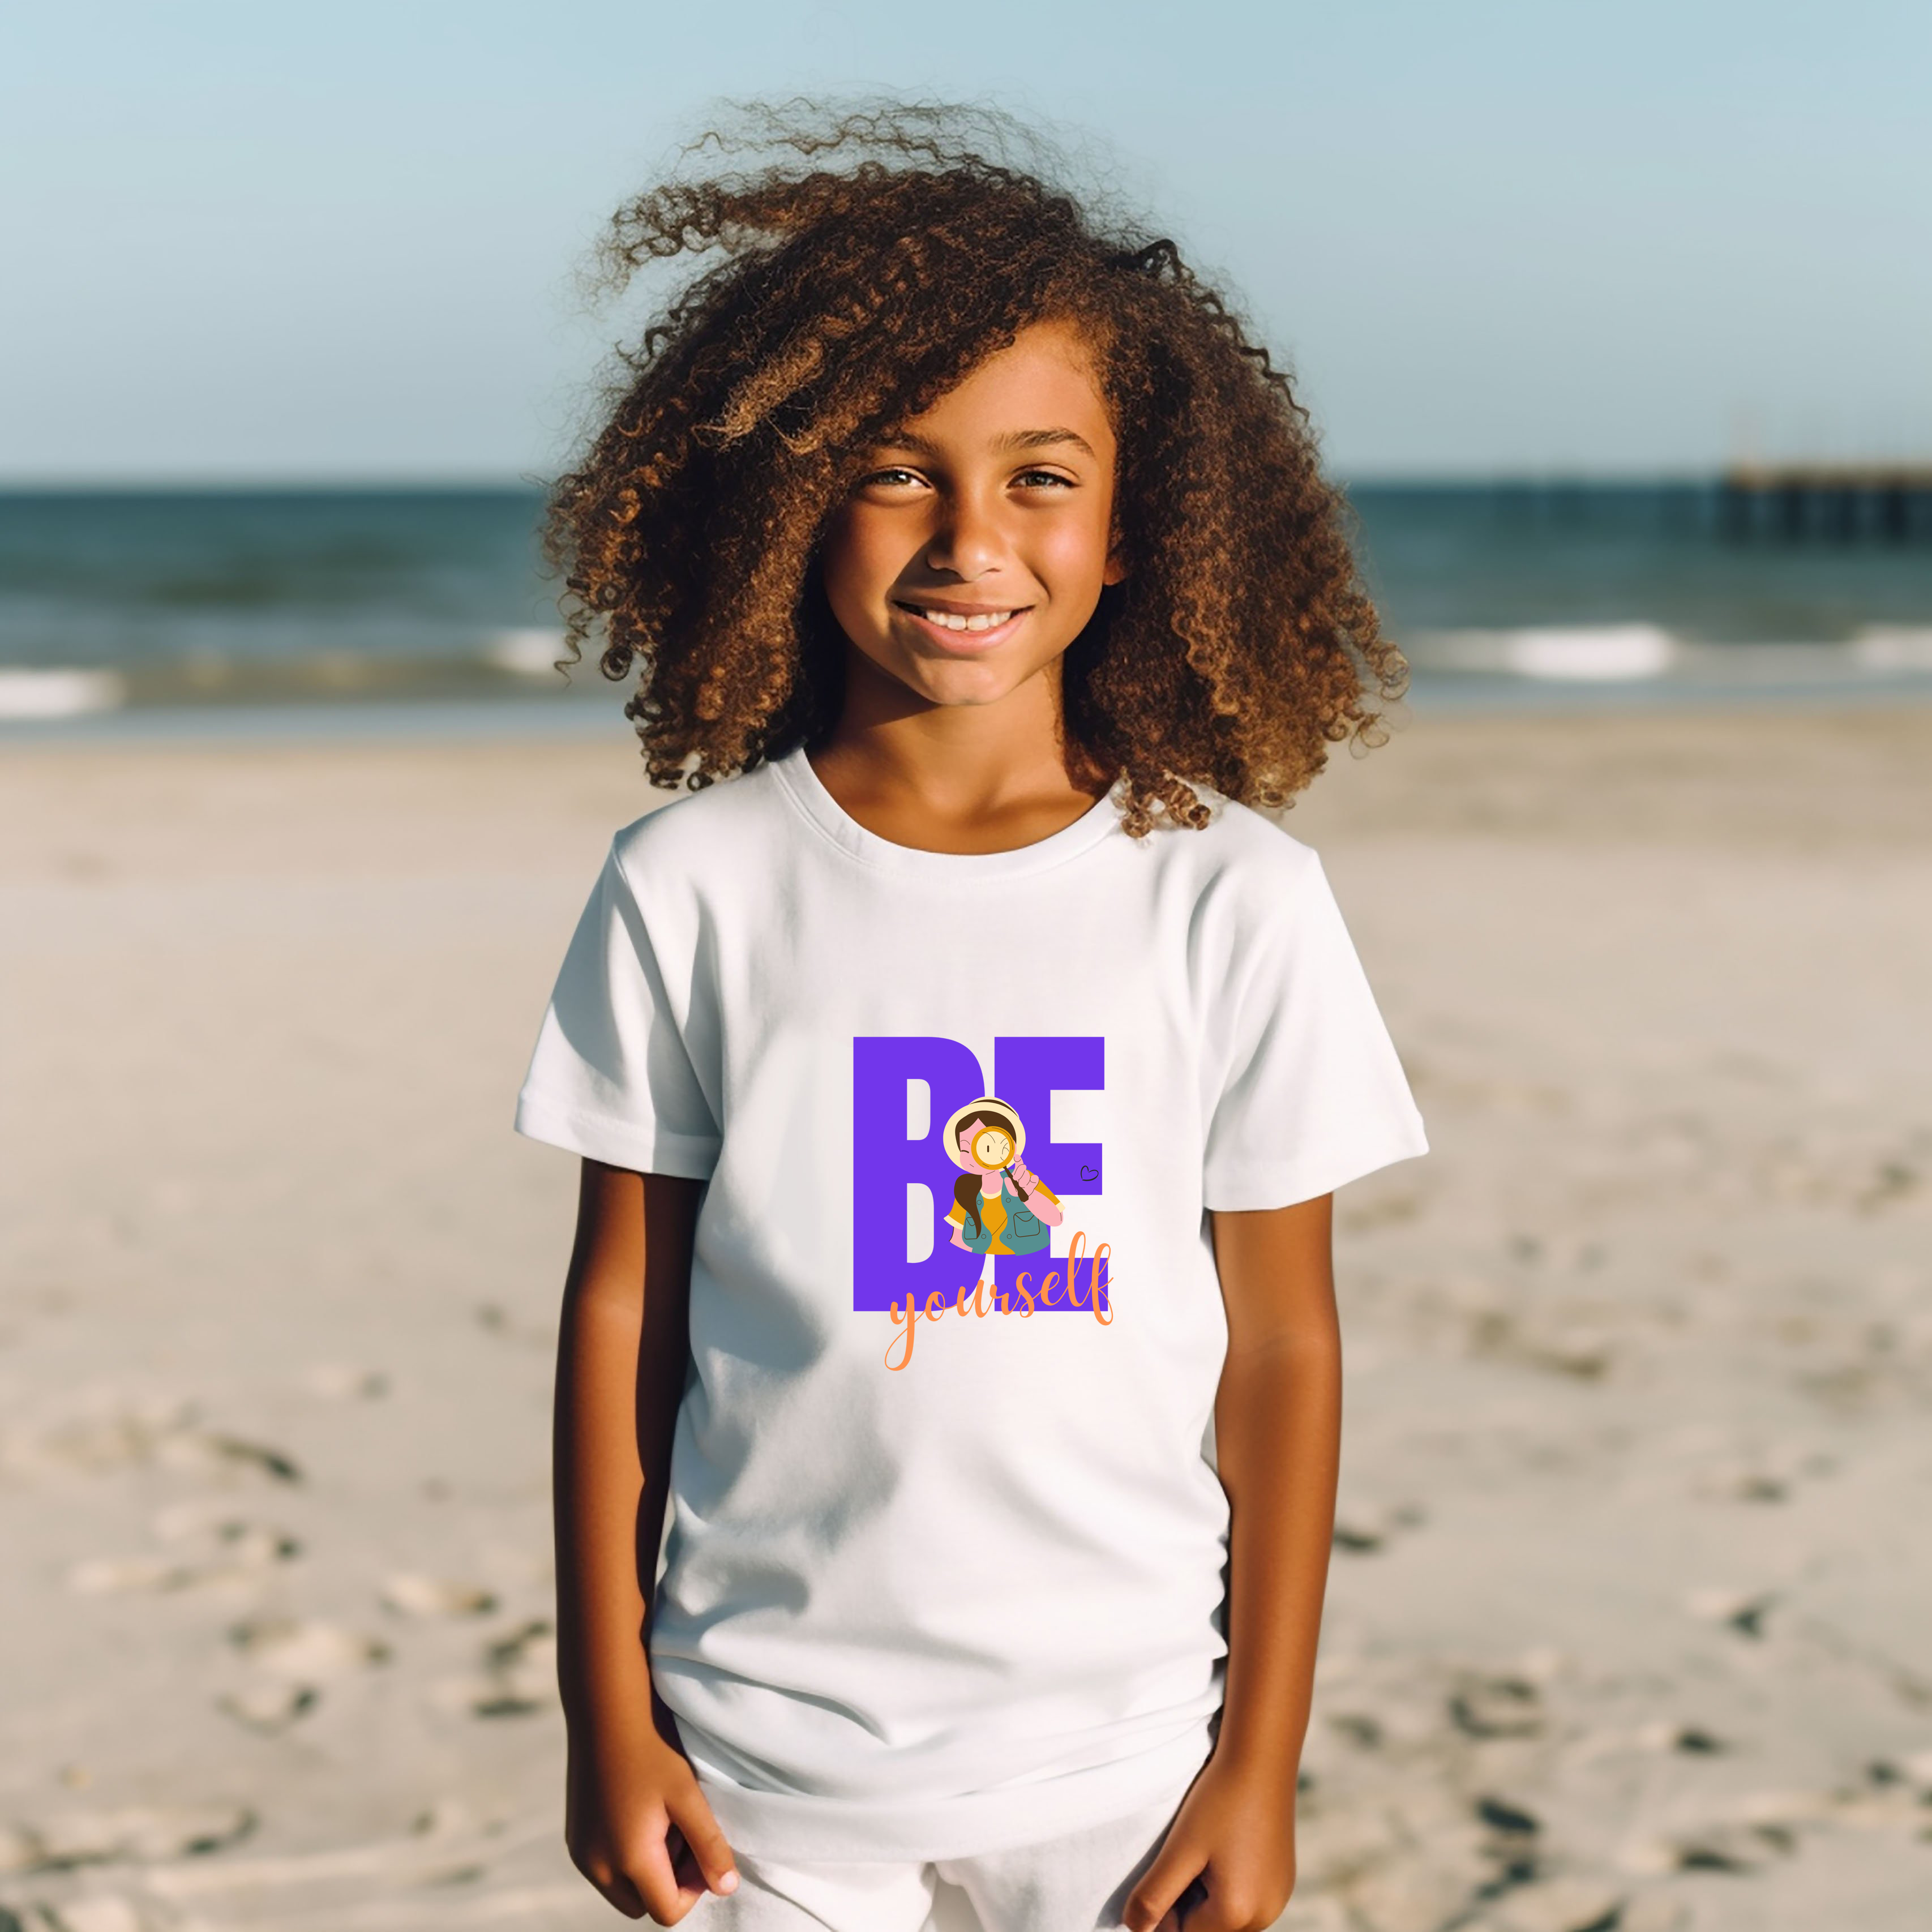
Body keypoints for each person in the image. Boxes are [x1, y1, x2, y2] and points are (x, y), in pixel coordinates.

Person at [515, 104, 1428, 1932]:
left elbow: (1281, 1349)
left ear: (1133, 523)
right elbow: (623, 1313)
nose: (967, 540)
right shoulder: (690, 883)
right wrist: (603, 1716)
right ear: (788, 499)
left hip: (1123, 1766)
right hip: (760, 1765)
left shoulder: (1232, 897)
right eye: (893, 471)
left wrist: (1257, 1763)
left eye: (1038, 477)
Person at [943, 1098, 1061, 1257]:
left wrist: (1030, 1196)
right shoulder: (965, 1189)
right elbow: (958, 1238)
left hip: (1027, 1263)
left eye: (985, 1147)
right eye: (965, 1149)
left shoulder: (1024, 1179)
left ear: (1010, 1147)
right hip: (982, 1263)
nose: (973, 1156)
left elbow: (1057, 1220)